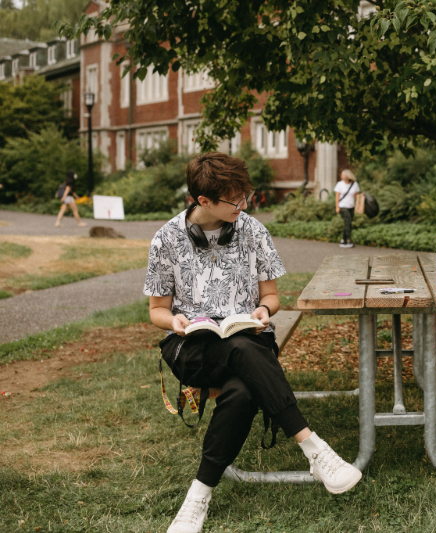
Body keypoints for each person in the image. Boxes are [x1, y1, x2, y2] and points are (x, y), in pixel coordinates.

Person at [145, 152, 362, 533]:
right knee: (242, 352)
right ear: (203, 200)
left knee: (243, 391)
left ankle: (198, 497)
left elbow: (272, 297)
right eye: (234, 200)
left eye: (244, 196)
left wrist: (263, 310)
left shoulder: (253, 231)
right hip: (191, 347)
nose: (243, 205)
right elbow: (157, 310)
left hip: (249, 337)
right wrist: (174, 321)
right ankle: (313, 447)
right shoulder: (166, 238)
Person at [334, 169, 359, 248]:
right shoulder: (339, 184)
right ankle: (349, 240)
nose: (341, 176)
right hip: (342, 206)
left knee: (347, 223)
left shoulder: (354, 184)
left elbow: (356, 196)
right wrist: (337, 207)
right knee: (348, 221)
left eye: (343, 174)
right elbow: (337, 197)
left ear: (348, 176)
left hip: (351, 206)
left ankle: (343, 240)